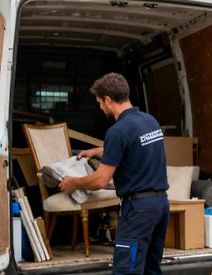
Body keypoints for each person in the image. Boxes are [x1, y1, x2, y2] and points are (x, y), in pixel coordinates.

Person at [59, 73, 170, 275]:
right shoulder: (149, 121)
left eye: (99, 102)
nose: (100, 107)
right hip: (160, 206)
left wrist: (74, 182)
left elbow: (100, 180)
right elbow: (133, 148)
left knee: (126, 270)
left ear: (108, 100)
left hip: (138, 210)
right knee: (150, 269)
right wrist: (96, 151)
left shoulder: (118, 130)